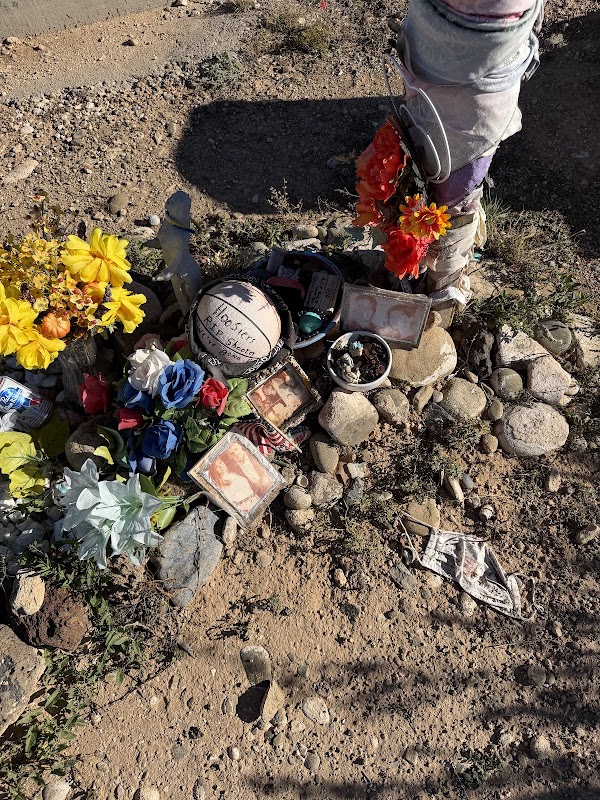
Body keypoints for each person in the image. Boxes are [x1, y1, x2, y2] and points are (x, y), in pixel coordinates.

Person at [391, 0, 544, 298]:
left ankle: (443, 278)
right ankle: (423, 263)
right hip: (434, 41)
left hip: (486, 54)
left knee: (456, 189)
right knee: (422, 155)